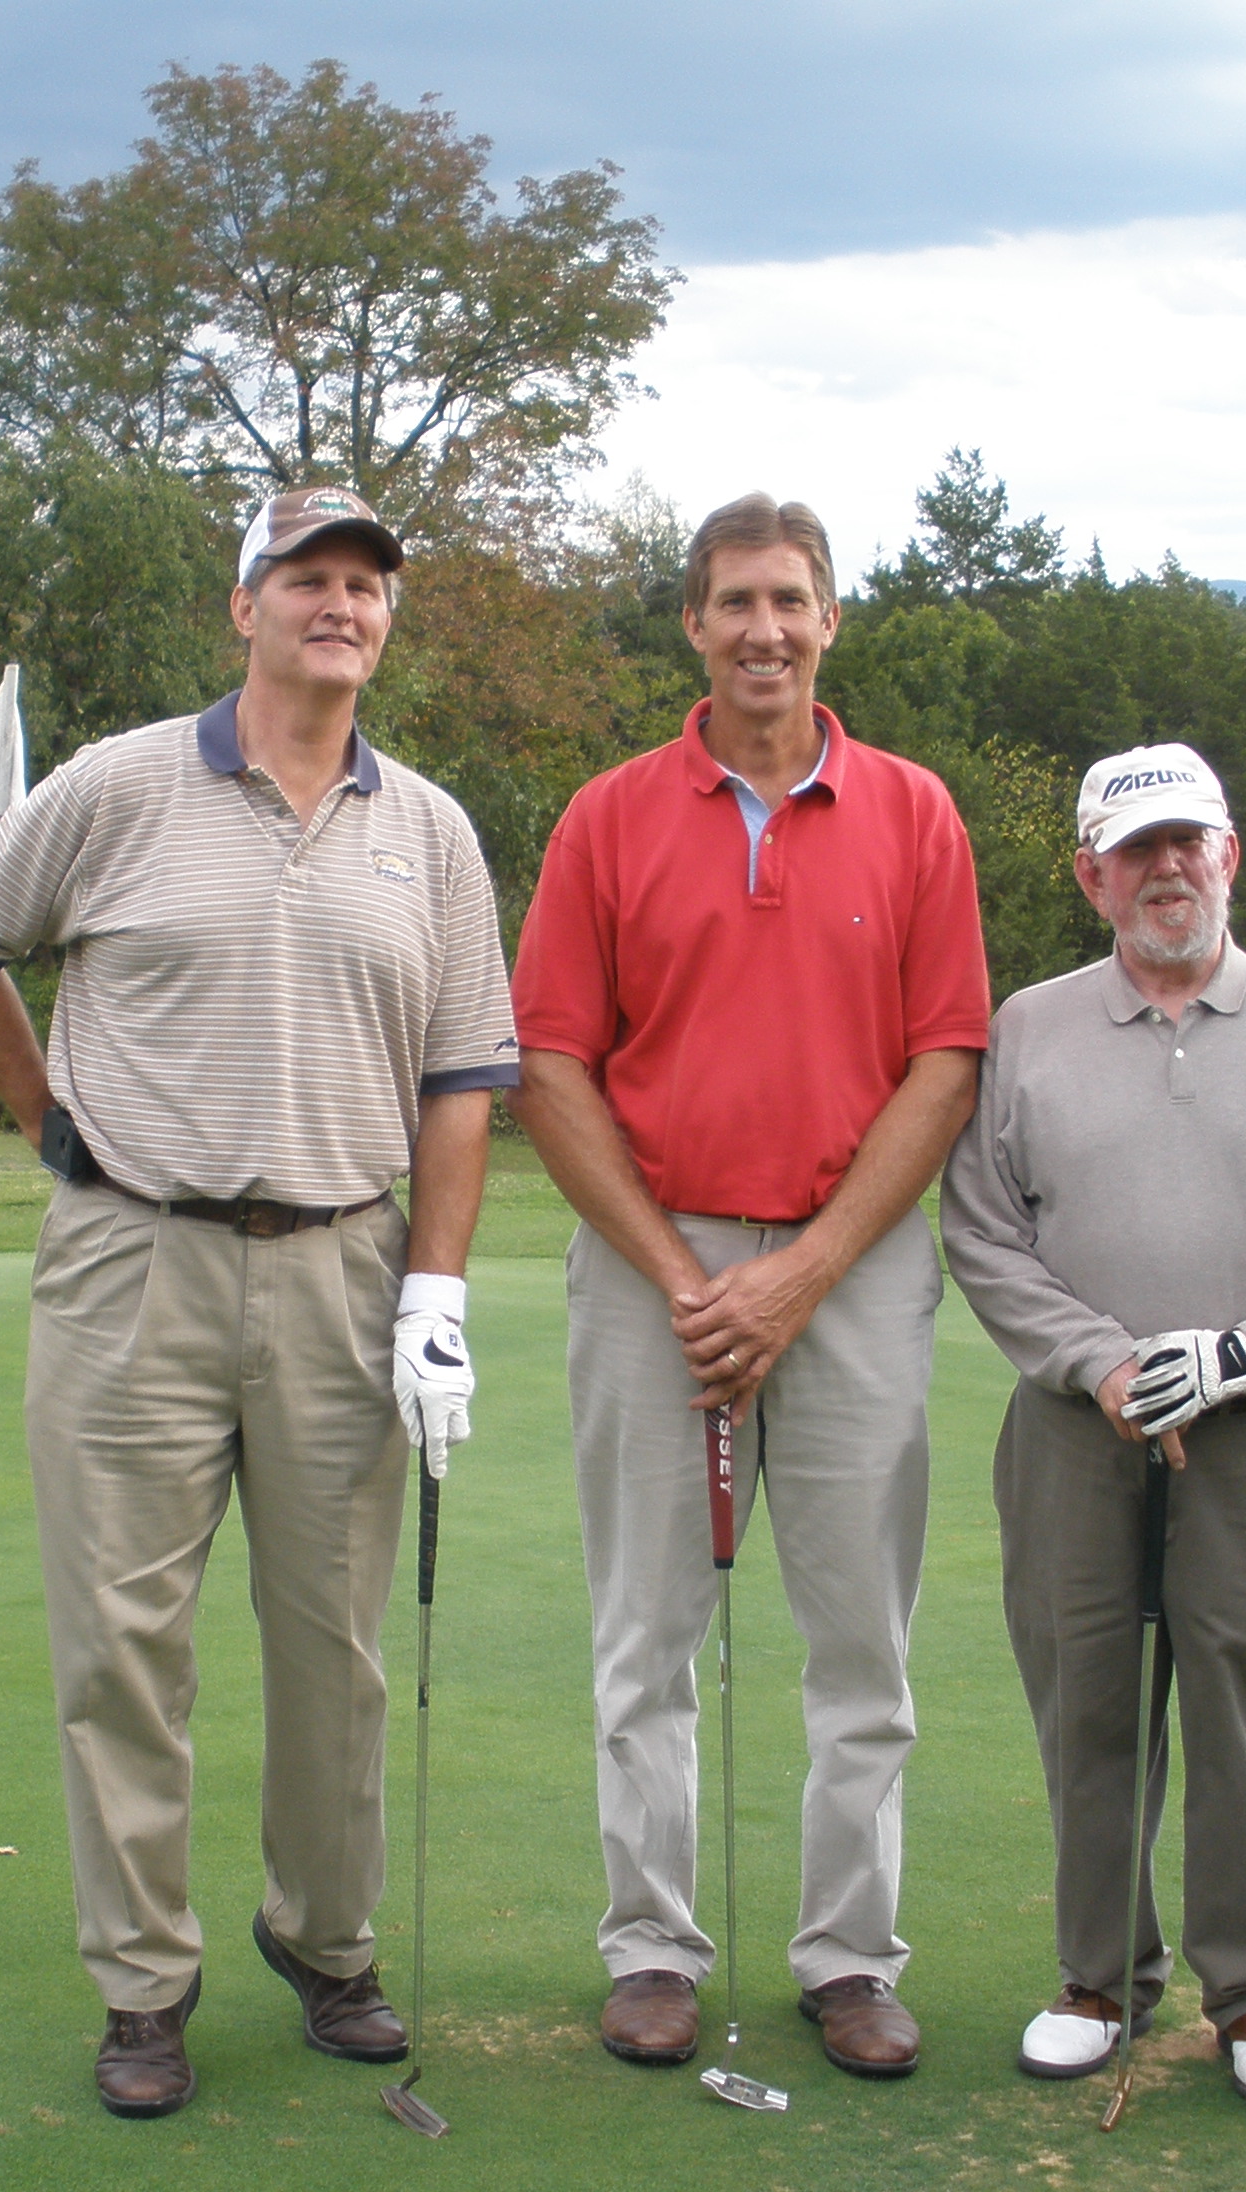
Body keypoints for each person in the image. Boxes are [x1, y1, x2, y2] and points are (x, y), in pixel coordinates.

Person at [0, 485, 519, 2120]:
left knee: (333, 1648)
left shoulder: (433, 831)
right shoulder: (117, 787)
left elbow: (464, 1077)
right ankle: (142, 1985)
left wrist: (437, 1291)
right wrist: (51, 1119)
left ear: (386, 621)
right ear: (241, 606)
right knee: (122, 1644)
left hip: (345, 1267)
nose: (341, 605)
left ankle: (327, 1946)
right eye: (307, 578)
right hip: (135, 1263)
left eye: (365, 586)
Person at [510, 492, 991, 2080]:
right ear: (695, 628)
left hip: (847, 1270)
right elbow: (553, 1062)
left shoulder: (915, 812)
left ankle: (851, 1959)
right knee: (647, 1633)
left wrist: (804, 1273)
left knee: (862, 1640)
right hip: (654, 1268)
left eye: (790, 599)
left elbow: (944, 1062)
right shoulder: (610, 816)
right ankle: (652, 1946)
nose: (763, 629)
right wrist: (679, 1273)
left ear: (832, 620)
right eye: (734, 602)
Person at [942, 744, 1246, 2110]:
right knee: (1088, 1708)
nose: (1166, 869)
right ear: (1092, 875)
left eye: (1188, 842)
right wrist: (1098, 1363)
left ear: (1230, 854)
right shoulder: (1028, 1025)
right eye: (1136, 850)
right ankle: (1098, 1977)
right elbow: (984, 1230)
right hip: (1076, 1430)